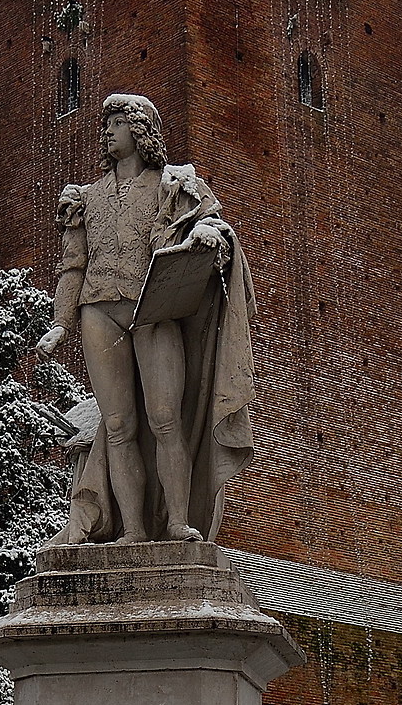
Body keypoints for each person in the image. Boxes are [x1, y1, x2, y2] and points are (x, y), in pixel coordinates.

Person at [35, 94, 255, 545]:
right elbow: (72, 265)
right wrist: (60, 322)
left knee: (165, 418)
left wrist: (209, 235)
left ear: (139, 130)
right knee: (117, 426)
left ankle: (176, 520)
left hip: (153, 308)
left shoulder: (171, 186)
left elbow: (208, 227)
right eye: (106, 124)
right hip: (98, 311)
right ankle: (132, 530)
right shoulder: (85, 198)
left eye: (117, 123)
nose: (107, 132)